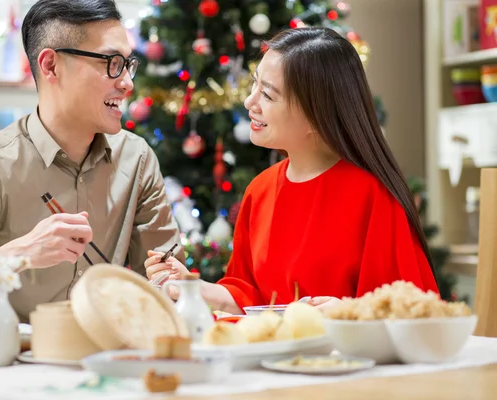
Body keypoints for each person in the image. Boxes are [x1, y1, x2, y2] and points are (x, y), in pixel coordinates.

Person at [0, 0, 183, 337]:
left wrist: (172, 282)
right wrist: (12, 257)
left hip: (106, 367)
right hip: (12, 374)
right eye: (112, 63)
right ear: (50, 66)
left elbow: (163, 277)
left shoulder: (136, 159)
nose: (127, 83)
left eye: (129, 65)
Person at [145, 27, 438, 315]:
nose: (250, 102)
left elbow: (412, 313)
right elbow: (251, 296)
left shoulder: (373, 196)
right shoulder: (259, 190)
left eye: (268, 95)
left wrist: (349, 312)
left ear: (316, 111)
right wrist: (193, 286)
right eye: (254, 85)